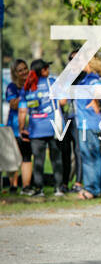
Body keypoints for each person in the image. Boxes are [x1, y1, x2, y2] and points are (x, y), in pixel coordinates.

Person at [18, 59, 64, 197]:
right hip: (53, 127)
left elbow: (22, 111)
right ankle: (58, 188)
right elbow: (63, 101)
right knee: (56, 159)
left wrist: (22, 128)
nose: (48, 70)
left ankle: (39, 189)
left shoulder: (27, 86)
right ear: (43, 70)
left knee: (38, 161)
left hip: (35, 129)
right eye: (47, 68)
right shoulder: (52, 82)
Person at [75, 54, 101, 199]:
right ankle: (96, 188)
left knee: (89, 157)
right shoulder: (86, 78)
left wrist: (95, 99)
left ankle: (91, 189)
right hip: (87, 123)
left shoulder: (92, 79)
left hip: (88, 123)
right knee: (93, 157)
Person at [6, 59, 33, 195]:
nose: (24, 72)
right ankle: (13, 186)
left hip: (29, 127)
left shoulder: (33, 84)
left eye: (25, 68)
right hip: (14, 127)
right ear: (15, 73)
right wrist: (25, 93)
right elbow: (13, 104)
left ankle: (26, 186)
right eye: (20, 70)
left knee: (26, 157)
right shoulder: (11, 87)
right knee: (13, 158)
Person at [59, 50, 84, 193]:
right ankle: (64, 183)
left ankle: (78, 182)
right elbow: (60, 101)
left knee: (79, 151)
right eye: (72, 59)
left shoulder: (85, 78)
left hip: (79, 119)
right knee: (65, 152)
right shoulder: (64, 78)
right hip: (65, 119)